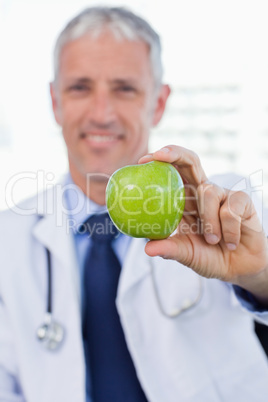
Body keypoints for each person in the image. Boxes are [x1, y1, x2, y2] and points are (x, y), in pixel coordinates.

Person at [0, 6, 268, 402]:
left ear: (158, 103)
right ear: (55, 102)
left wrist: (259, 278)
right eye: (79, 88)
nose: (102, 113)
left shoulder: (225, 207)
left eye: (125, 88)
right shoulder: (9, 238)